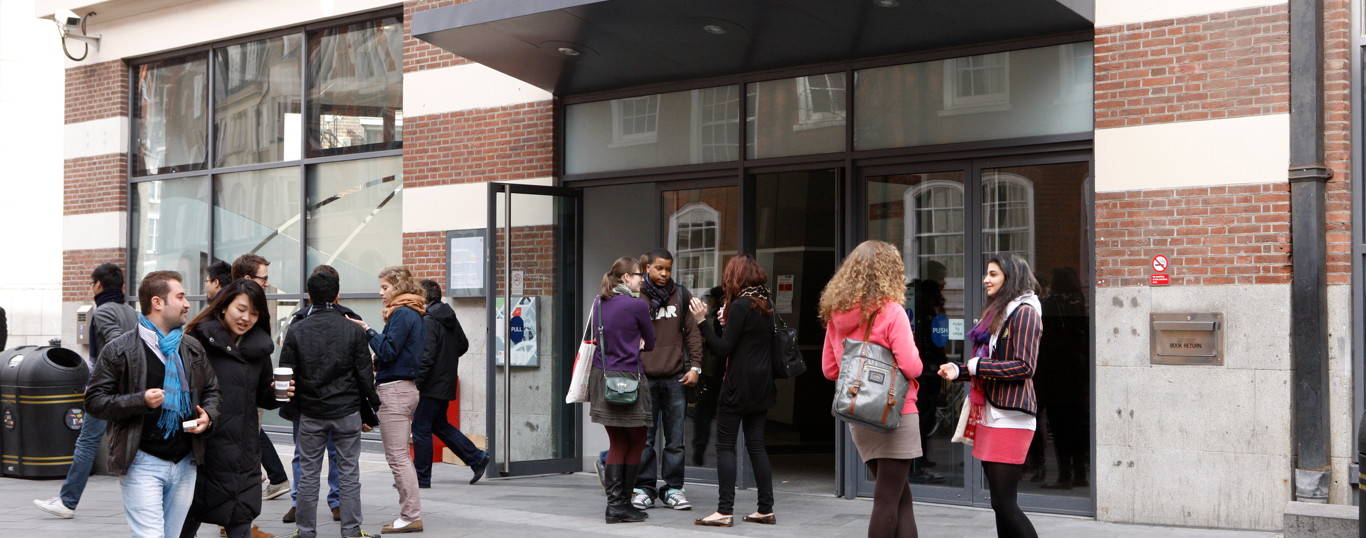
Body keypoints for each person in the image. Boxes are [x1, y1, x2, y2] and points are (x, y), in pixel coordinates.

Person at [84, 270, 219, 538]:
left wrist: (209, 417)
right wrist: (140, 400)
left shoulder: (191, 347)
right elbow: (94, 401)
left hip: (185, 461)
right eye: (180, 297)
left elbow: (212, 389)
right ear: (157, 302)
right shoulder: (119, 349)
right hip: (142, 462)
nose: (187, 304)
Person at [820, 240, 924, 538]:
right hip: (896, 413)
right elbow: (913, 367)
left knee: (900, 498)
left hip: (860, 413)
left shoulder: (836, 315)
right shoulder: (891, 312)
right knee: (889, 501)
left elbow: (830, 369)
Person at [938, 254, 1043, 538]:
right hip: (993, 414)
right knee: (1000, 504)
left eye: (993, 274)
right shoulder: (1003, 312)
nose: (986, 279)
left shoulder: (1025, 312)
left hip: (1011, 416)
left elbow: (1024, 366)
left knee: (1004, 503)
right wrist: (958, 370)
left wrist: (974, 366)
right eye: (988, 273)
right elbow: (990, 362)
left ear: (1011, 278)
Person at [180, 279, 288, 538]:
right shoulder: (197, 341)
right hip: (202, 449)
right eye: (241, 309)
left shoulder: (258, 350)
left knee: (239, 521)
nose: (246, 318)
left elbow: (262, 396)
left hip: (242, 452)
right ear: (224, 306)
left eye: (254, 313)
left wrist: (280, 394)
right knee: (186, 521)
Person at [280, 269, 381, 538]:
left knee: (309, 474)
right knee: (349, 473)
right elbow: (364, 377)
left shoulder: (297, 329)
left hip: (311, 412)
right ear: (337, 295)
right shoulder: (353, 329)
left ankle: (305, 531)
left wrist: (290, 408)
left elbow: (286, 373)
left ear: (309, 296)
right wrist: (370, 413)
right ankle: (351, 531)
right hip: (347, 411)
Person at [34, 262, 139, 519]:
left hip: (106, 388)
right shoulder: (130, 311)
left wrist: (98, 381)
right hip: (129, 387)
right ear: (122, 287)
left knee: (87, 441)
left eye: (92, 284)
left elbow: (118, 343)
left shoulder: (103, 311)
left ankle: (67, 502)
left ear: (98, 285)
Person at [686, 254, 776, 527]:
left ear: (735, 277)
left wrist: (701, 321)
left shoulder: (740, 306)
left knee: (725, 446)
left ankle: (724, 510)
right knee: (757, 446)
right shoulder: (765, 304)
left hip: (738, 385)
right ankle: (765, 509)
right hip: (762, 385)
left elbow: (723, 348)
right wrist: (719, 322)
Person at [349, 266, 427, 534]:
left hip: (395, 390)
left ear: (398, 286)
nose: (381, 292)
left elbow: (388, 349)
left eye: (385, 287)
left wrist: (368, 331)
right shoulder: (412, 313)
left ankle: (410, 515)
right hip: (403, 388)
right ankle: (410, 513)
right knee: (401, 456)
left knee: (398, 458)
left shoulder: (402, 314)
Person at [629, 249, 701, 511]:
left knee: (676, 440)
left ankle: (673, 489)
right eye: (659, 268)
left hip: (675, 378)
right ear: (646, 268)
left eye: (668, 269)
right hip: (644, 377)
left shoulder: (680, 294)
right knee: (645, 439)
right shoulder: (636, 296)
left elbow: (693, 334)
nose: (664, 274)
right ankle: (644, 489)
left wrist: (696, 367)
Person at [588, 256, 655, 524]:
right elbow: (650, 342)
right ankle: (622, 504)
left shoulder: (598, 303)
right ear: (626, 278)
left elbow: (595, 335)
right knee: (637, 440)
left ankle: (616, 505)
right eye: (639, 275)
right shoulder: (637, 306)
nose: (642, 279)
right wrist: (636, 342)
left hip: (602, 378)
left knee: (617, 441)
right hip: (629, 378)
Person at [412, 279, 489, 488]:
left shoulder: (428, 320)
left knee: (420, 428)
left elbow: (427, 356)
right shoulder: (449, 316)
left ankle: (421, 478)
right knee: (439, 425)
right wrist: (446, 361)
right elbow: (462, 345)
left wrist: (417, 383)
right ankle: (476, 458)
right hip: (446, 381)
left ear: (424, 297)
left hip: (430, 384)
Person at [230, 254, 290, 502]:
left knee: (249, 447)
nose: (267, 283)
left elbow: (262, 349)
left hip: (255, 390)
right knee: (240, 452)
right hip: (236, 394)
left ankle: (242, 520)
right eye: (263, 278)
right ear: (247, 279)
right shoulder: (230, 311)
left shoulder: (257, 308)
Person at [1038, 267, 1088, 490]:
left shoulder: (1048, 305)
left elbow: (1043, 341)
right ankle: (1080, 473)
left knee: (1059, 426)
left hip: (1055, 372)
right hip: (1077, 372)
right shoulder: (1080, 303)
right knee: (1077, 424)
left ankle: (1064, 474)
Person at [687, 286, 725, 467]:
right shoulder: (710, 320)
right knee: (705, 415)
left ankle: (701, 452)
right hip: (712, 373)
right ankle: (700, 452)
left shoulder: (719, 319)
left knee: (706, 415)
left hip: (716, 373)